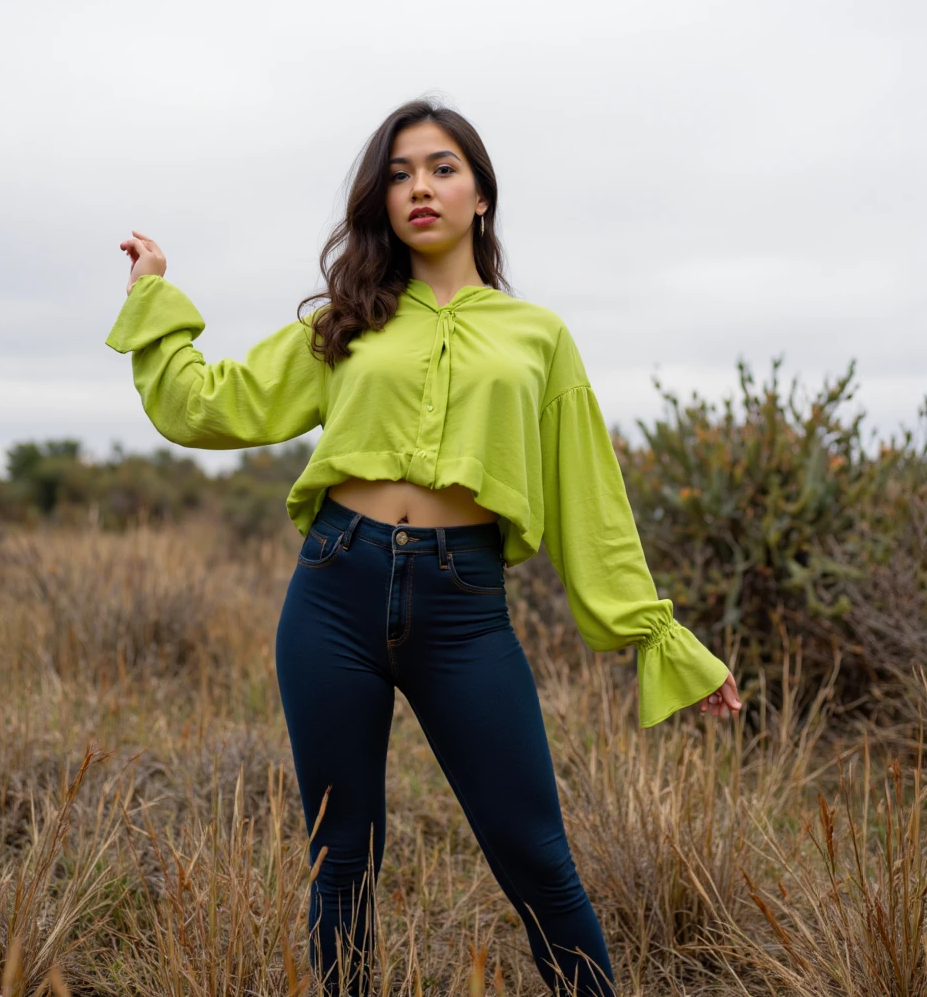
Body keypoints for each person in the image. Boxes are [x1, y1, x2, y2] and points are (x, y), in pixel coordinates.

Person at [107, 96, 742, 997]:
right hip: (333, 591)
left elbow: (588, 500)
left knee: (537, 858)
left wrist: (659, 636)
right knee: (343, 859)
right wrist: (156, 300)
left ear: (481, 194)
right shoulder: (349, 321)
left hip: (464, 610)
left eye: (442, 168)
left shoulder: (538, 338)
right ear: (382, 199)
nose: (420, 188)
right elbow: (209, 404)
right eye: (400, 173)